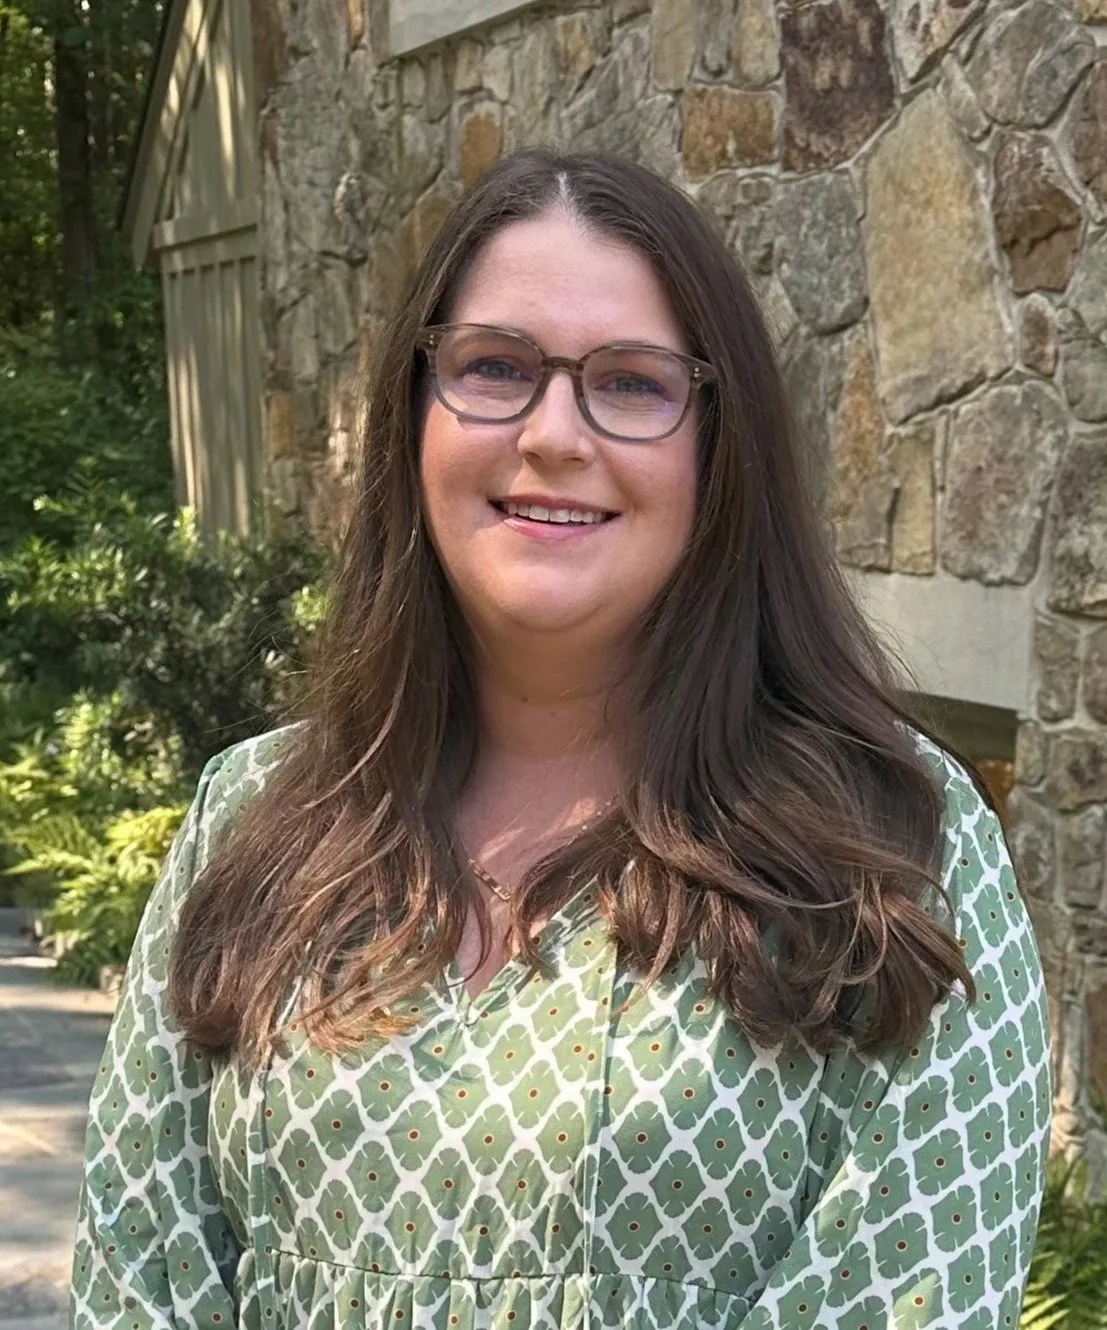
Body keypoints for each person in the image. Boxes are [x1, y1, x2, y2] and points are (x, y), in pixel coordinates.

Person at [70, 149, 1051, 1330]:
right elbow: (142, 1276)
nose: (552, 433)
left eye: (631, 384)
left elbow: (913, 1297)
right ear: (414, 415)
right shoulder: (255, 816)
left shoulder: (896, 847)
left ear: (717, 448)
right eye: (495, 366)